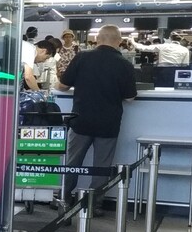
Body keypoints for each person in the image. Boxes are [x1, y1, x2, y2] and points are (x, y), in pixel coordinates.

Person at [56, 24, 137, 211]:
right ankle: (94, 204)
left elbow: (63, 86)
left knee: (73, 162)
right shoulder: (125, 64)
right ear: (119, 41)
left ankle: (64, 197)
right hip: (108, 122)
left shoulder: (82, 57)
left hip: (80, 119)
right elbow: (130, 97)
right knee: (102, 165)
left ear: (97, 39)